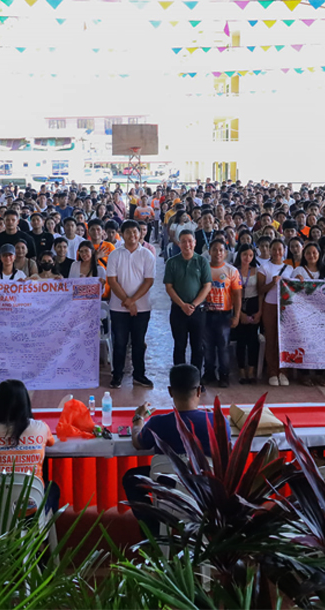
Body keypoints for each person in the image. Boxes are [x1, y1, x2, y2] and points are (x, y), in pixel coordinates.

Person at [122, 364, 229, 534]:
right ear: (199, 391)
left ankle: (153, 531)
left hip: (168, 492)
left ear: (170, 391)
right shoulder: (218, 422)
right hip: (204, 494)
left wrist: (138, 419)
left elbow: (138, 442)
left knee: (130, 478)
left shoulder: (158, 423)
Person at [0, 379, 59, 512]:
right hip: (31, 507)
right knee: (52, 487)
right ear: (25, 402)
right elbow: (51, 442)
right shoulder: (41, 428)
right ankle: (42, 527)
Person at [105, 220, 156, 389]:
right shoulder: (115, 254)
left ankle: (139, 375)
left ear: (140, 233)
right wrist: (127, 302)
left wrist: (132, 301)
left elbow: (149, 281)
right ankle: (117, 374)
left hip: (142, 307)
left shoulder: (147, 255)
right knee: (120, 342)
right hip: (118, 308)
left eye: (135, 232)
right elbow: (112, 280)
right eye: (128, 232)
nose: (132, 235)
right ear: (123, 234)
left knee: (138, 342)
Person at [163, 229, 212, 373]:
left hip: (198, 311)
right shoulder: (172, 262)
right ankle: (180, 379)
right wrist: (183, 305)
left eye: (190, 241)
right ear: (179, 243)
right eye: (183, 241)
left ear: (195, 243)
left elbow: (207, 285)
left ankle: (196, 379)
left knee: (197, 346)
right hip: (178, 310)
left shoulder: (202, 261)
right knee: (179, 345)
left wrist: (193, 304)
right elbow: (169, 287)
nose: (187, 244)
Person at [202, 239, 242, 388]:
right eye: (214, 249)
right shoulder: (203, 268)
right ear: (209, 252)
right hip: (206, 313)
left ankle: (224, 375)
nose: (218, 253)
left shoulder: (231, 271)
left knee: (223, 346)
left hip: (224, 314)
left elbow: (237, 295)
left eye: (221, 250)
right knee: (207, 346)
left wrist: (236, 315)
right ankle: (209, 373)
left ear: (225, 253)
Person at [259, 238, 292, 386]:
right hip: (270, 305)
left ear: (284, 251)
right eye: (274, 249)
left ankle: (283, 371)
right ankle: (272, 372)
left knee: (284, 340)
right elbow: (260, 290)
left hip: (286, 307)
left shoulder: (290, 269)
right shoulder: (264, 267)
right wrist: (272, 282)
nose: (277, 252)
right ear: (270, 251)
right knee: (271, 338)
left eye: (280, 249)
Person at [233, 243, 264, 385]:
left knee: (253, 340)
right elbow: (232, 294)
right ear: (240, 255)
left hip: (253, 305)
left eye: (250, 255)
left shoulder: (257, 271)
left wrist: (259, 311)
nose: (247, 257)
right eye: (245, 254)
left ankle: (251, 370)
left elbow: (260, 293)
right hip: (239, 305)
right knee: (241, 340)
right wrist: (239, 314)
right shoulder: (234, 271)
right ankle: (241, 370)